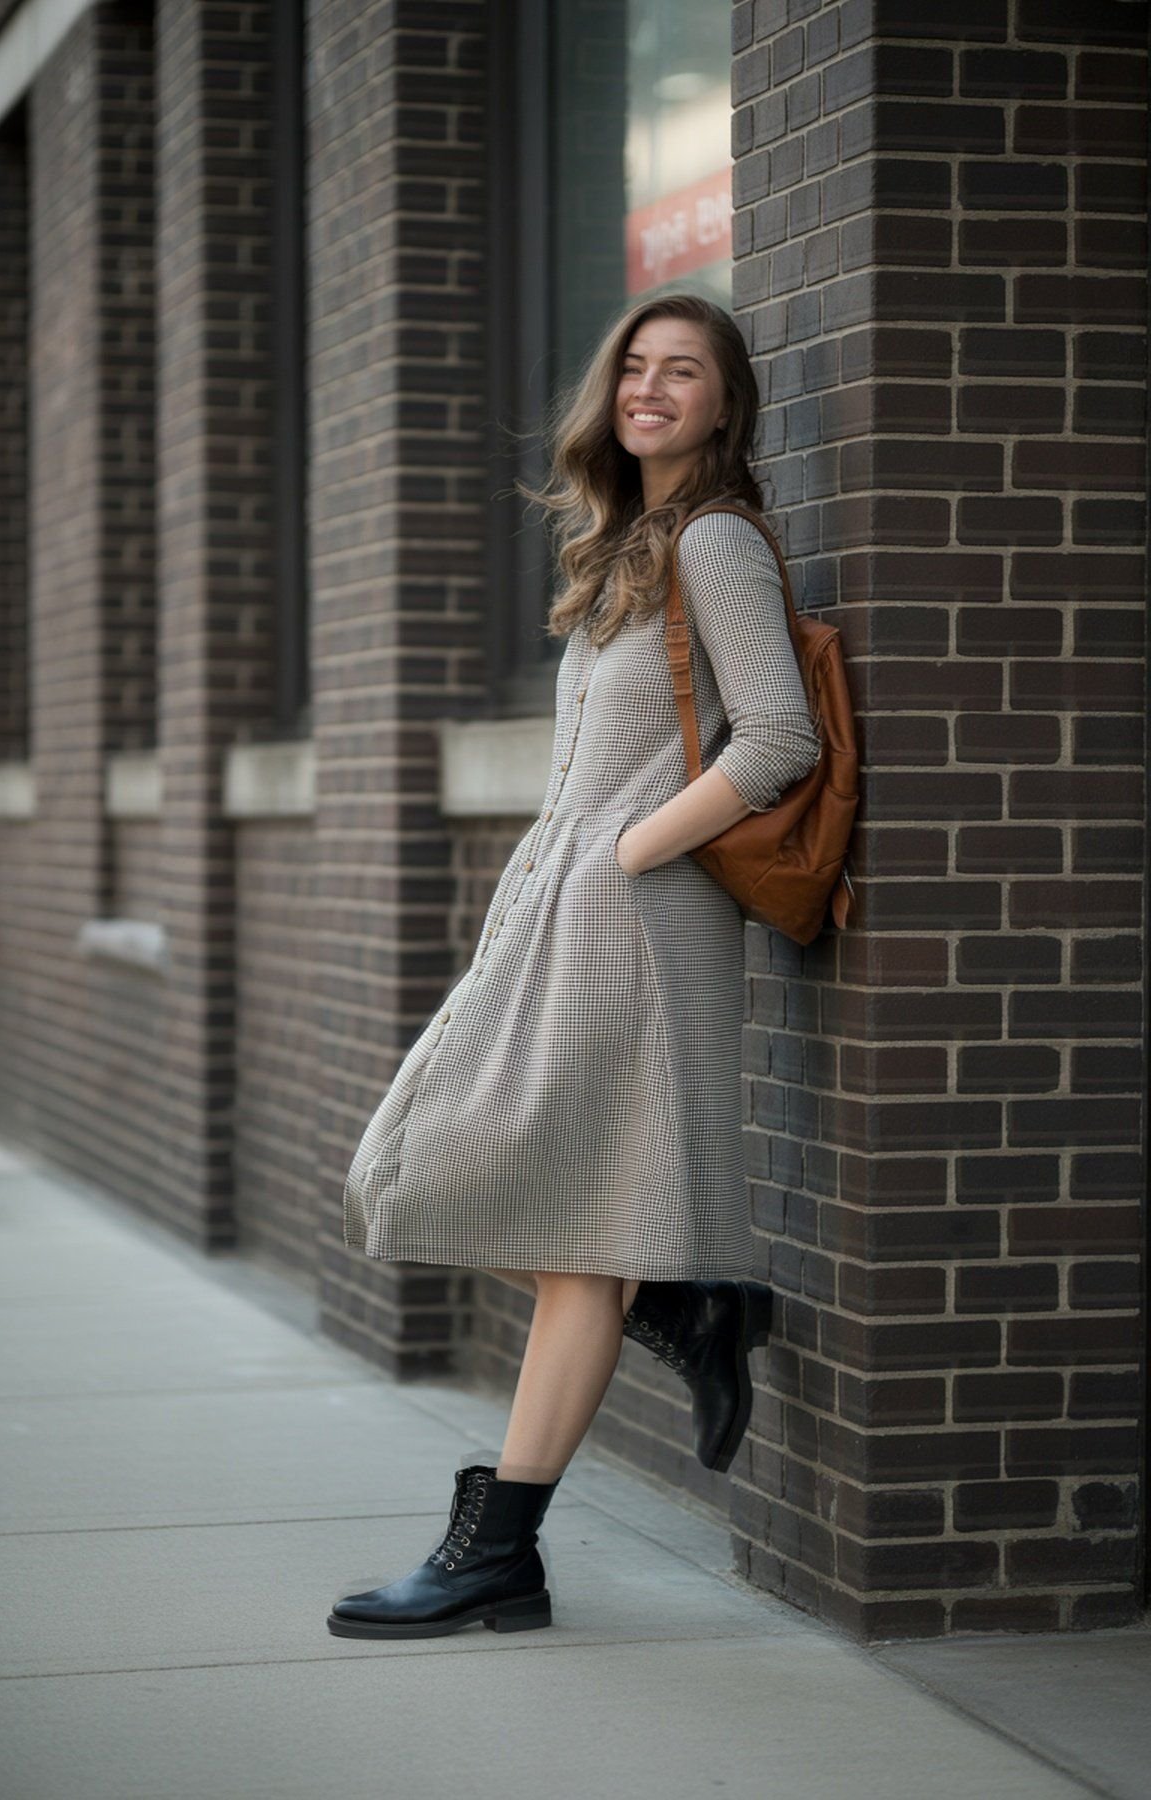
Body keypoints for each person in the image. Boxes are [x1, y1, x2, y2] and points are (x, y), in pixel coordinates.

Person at [328, 292, 823, 1640]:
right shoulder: (623, 545)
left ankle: (500, 1550)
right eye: (635, 368)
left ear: (724, 407)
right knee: (447, 1171)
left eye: (684, 372)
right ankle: (682, 1302)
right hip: (572, 914)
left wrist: (626, 852)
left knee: (567, 1236)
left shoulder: (715, 540)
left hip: (639, 929)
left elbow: (780, 738)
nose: (650, 388)